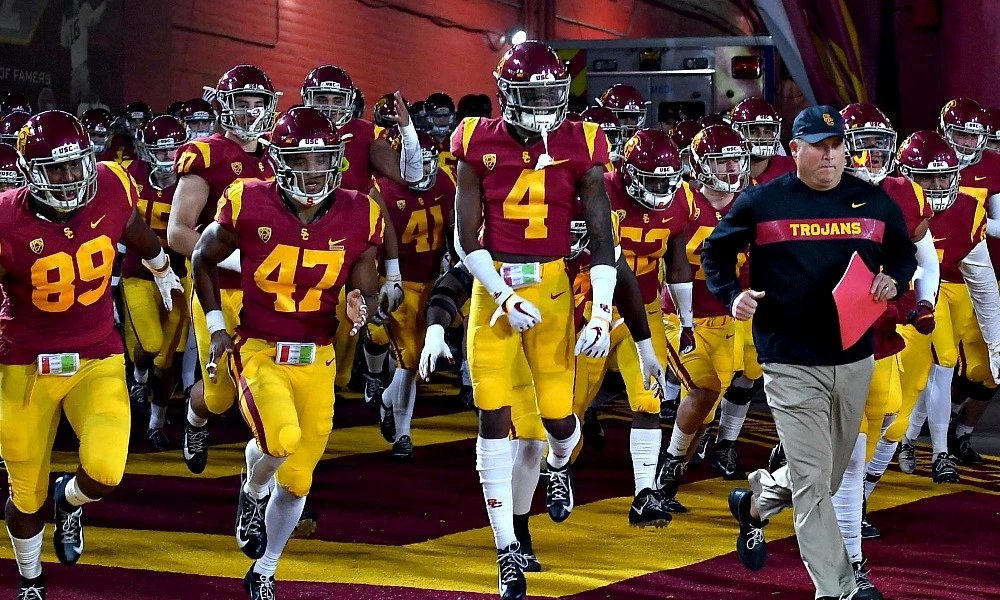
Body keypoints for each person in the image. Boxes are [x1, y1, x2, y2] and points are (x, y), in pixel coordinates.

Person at [700, 106, 917, 600]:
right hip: (789, 359)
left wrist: (894, 279)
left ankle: (756, 503)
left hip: (854, 356)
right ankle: (838, 588)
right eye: (819, 146)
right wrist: (731, 294)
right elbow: (715, 251)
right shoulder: (762, 201)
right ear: (794, 149)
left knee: (827, 474)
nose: (830, 155)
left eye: (837, 145)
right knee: (816, 482)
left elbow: (903, 254)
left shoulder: (872, 200)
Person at [192, 106, 379, 600]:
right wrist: (216, 327)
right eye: (301, 159)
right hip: (261, 347)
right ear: (278, 160)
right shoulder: (247, 200)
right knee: (279, 439)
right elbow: (202, 259)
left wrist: (362, 301)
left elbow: (366, 279)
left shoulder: (360, 211)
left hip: (318, 356)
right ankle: (252, 491)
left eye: (322, 159)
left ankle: (265, 569)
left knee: (297, 481)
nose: (313, 171)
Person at [453, 40, 616, 600]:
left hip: (551, 290)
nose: (544, 106)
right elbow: (465, 237)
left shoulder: (582, 142)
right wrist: (502, 297)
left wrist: (600, 313)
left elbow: (602, 239)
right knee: (493, 417)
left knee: (559, 421)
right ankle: (506, 549)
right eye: (533, 94)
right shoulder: (476, 140)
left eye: (552, 94)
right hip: (494, 287)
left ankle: (560, 465)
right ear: (506, 95)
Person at [1, 110, 182, 599]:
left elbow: (133, 226)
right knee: (26, 496)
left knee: (105, 471)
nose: (69, 177)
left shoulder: (111, 183)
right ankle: (31, 579)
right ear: (28, 172)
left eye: (75, 164)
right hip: (25, 364)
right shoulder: (5, 219)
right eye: (55, 168)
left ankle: (70, 498)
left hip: (96, 355)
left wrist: (161, 267)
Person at [167, 64, 278, 475]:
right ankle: (195, 418)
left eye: (257, 103)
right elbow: (178, 231)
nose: (250, 112)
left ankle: (266, 477)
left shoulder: (277, 156)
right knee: (219, 399)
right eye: (240, 103)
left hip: (271, 291)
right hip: (219, 287)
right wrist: (239, 261)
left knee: (273, 381)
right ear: (224, 106)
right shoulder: (207, 154)